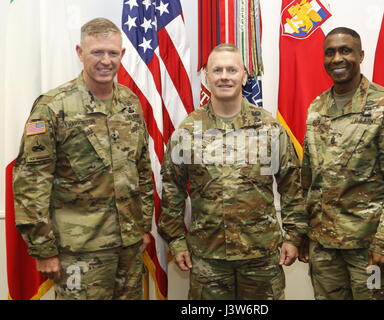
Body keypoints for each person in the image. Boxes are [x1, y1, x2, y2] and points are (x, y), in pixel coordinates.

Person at [13, 18, 154, 300]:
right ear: (80, 52)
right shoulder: (53, 107)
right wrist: (44, 249)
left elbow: (142, 168)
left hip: (128, 246)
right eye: (97, 52)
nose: (106, 60)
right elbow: (32, 183)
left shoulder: (130, 103)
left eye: (113, 53)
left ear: (122, 55)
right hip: (78, 250)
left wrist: (143, 227)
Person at [158, 43, 307, 300]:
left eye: (231, 69)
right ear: (207, 77)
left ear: (244, 75)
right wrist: (176, 240)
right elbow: (172, 189)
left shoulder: (269, 128)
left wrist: (293, 237)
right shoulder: (188, 130)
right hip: (207, 258)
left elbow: (292, 186)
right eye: (217, 70)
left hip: (261, 257)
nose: (224, 76)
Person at [297, 27, 384, 300]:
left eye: (345, 50)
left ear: (361, 55)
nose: (337, 58)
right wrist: (304, 231)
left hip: (370, 249)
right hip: (325, 246)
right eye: (330, 53)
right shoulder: (317, 107)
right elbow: (309, 176)